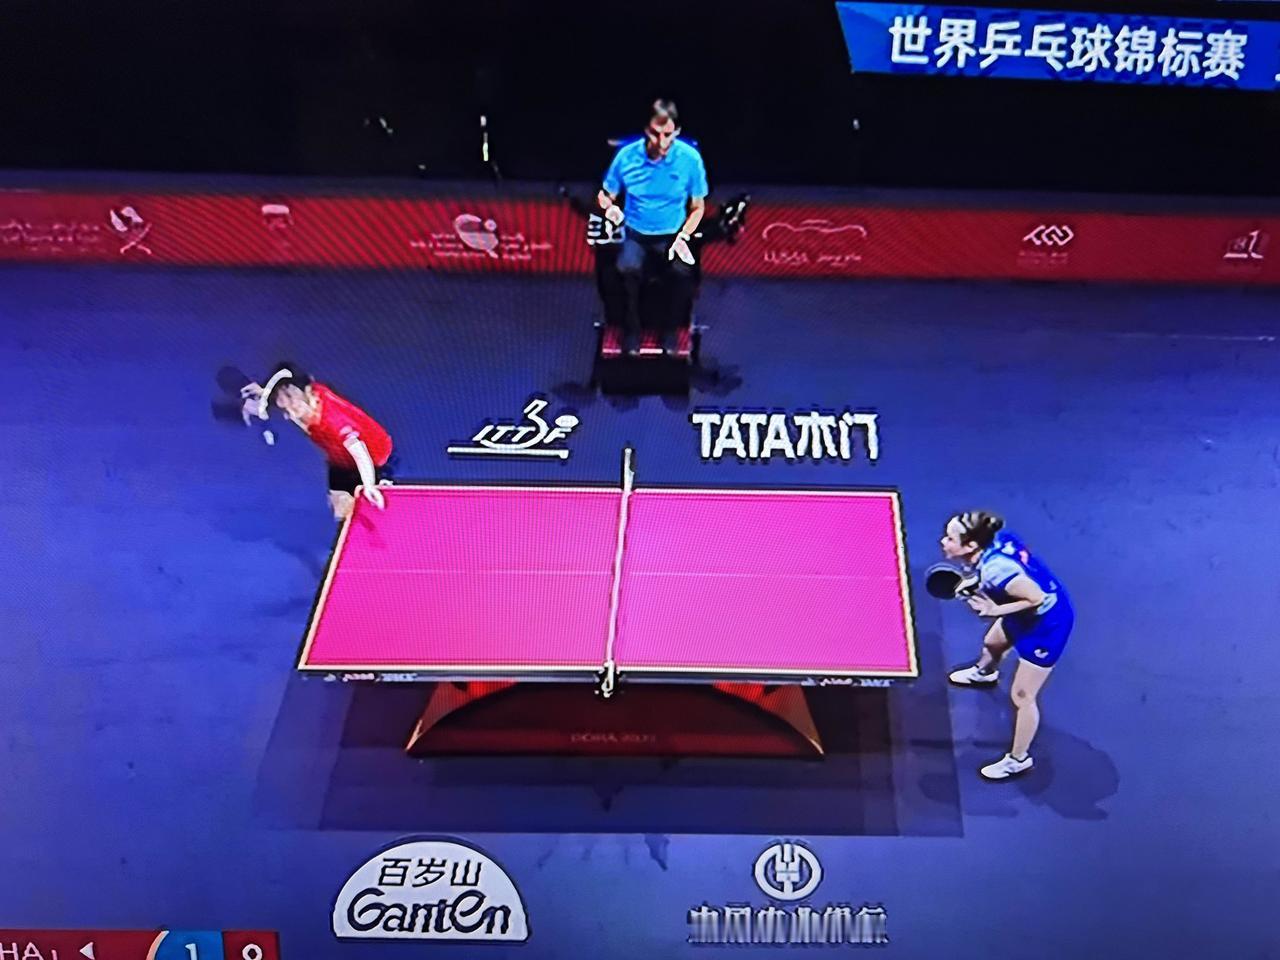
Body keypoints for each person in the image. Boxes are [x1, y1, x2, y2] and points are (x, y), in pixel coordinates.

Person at [940, 511, 1075, 781]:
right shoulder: (997, 540)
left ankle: (1018, 760)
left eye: (950, 538)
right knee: (992, 643)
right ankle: (985, 673)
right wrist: (974, 582)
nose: (944, 541)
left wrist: (995, 610)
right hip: (1024, 612)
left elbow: (1035, 598)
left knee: (1022, 696)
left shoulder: (996, 570)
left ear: (971, 545)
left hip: (1047, 625)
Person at [597, 98, 709, 356]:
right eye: (655, 134)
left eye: (668, 135)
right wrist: (609, 208)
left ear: (677, 132)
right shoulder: (626, 157)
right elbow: (605, 195)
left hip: (673, 236)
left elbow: (698, 207)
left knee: (682, 274)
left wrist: (684, 236)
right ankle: (632, 330)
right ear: (647, 130)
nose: (661, 142)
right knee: (626, 269)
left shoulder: (690, 159)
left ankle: (670, 330)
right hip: (635, 233)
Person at [240, 363, 393, 520]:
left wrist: (369, 485)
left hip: (374, 458)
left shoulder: (334, 420)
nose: (290, 411)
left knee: (371, 511)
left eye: (291, 399)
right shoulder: (306, 397)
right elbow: (283, 388)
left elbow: (360, 452)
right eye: (283, 403)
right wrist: (264, 395)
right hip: (340, 459)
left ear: (307, 391)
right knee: (337, 505)